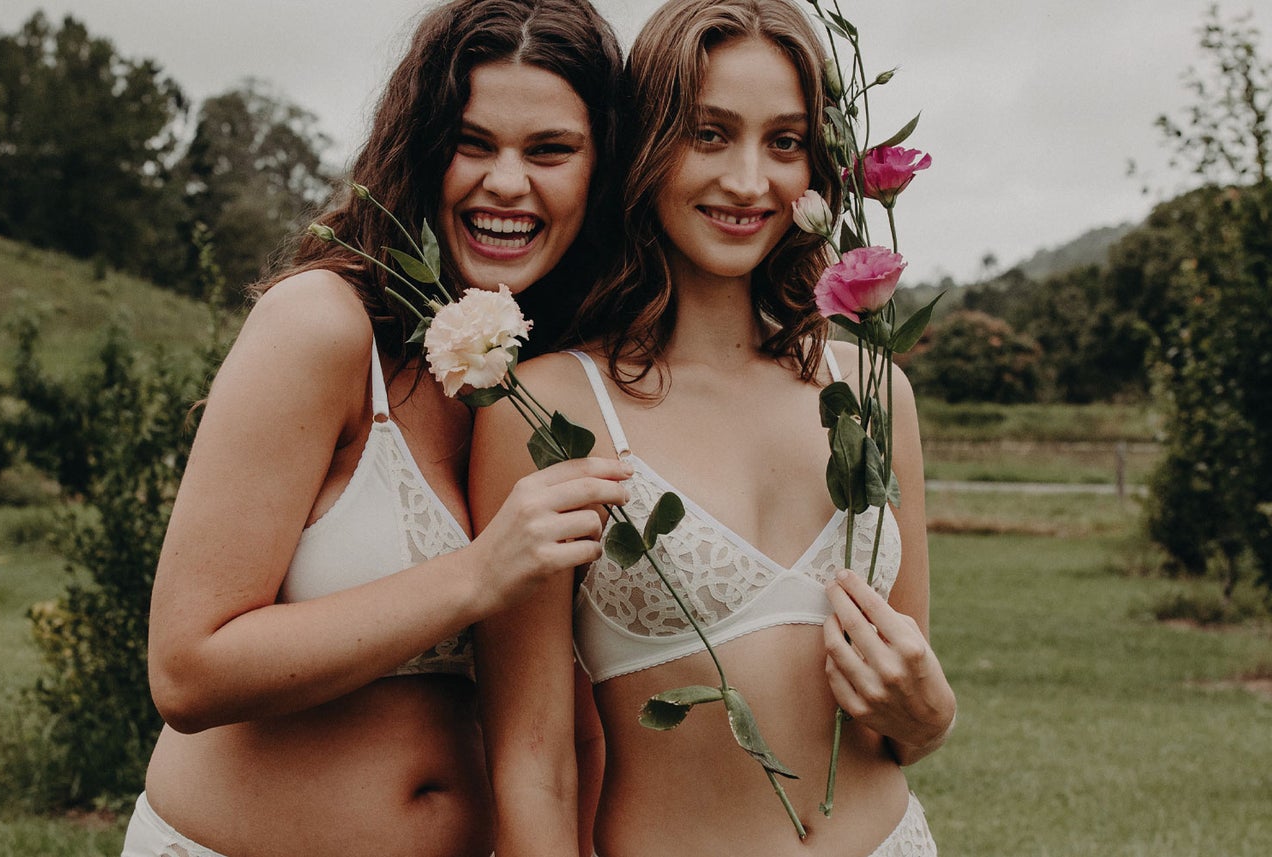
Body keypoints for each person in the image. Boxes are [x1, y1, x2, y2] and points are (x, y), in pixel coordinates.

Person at [127, 2, 630, 855]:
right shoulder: (322, 328)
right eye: (474, 143)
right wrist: (477, 574)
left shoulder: (571, 383)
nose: (507, 183)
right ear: (421, 147)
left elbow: (573, 726)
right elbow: (187, 669)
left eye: (549, 150)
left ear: (602, 169)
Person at [471, 0, 958, 855]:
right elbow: (534, 762)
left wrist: (933, 714)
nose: (749, 180)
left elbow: (900, 716)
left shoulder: (873, 386)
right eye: (710, 133)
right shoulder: (551, 407)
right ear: (649, 143)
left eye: (785, 141)